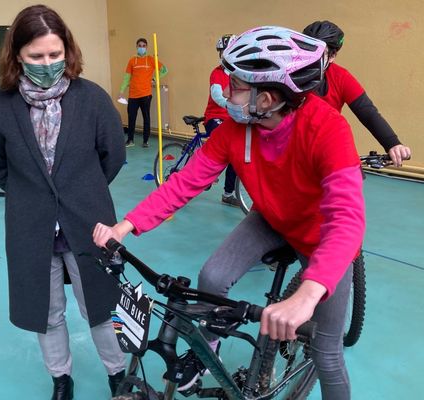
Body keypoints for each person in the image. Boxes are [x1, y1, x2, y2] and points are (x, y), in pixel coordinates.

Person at [94, 26, 364, 400]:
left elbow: (347, 218)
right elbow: (186, 181)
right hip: (271, 217)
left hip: (321, 235)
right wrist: (125, 226)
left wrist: (307, 294)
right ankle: (210, 346)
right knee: (212, 274)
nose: (225, 90)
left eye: (235, 84)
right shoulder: (237, 129)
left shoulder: (327, 128)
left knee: (326, 354)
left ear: (266, 98)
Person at [0, 5, 127, 400]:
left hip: (89, 222)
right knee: (47, 311)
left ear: (68, 51)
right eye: (36, 57)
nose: (48, 64)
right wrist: (36, 196)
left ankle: (118, 374)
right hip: (31, 224)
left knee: (98, 303)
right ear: (17, 57)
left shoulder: (91, 99)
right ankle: (61, 377)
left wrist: (81, 191)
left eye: (55, 54)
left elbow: (113, 155)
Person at [303, 20, 411, 166]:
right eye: (307, 50)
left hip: (325, 146)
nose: (312, 58)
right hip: (294, 147)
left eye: (319, 53)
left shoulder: (340, 77)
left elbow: (367, 111)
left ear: (332, 56)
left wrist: (392, 144)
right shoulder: (288, 72)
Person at [203, 34, 241, 207]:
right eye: (221, 52)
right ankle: (206, 173)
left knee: (236, 155)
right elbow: (217, 95)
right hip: (215, 116)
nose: (223, 55)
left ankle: (228, 193)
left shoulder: (238, 73)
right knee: (223, 145)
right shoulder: (217, 73)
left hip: (233, 117)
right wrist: (230, 106)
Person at [118, 38, 168, 148]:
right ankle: (130, 140)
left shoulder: (150, 60)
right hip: (133, 95)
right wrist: (121, 91)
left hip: (146, 95)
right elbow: (127, 78)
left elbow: (164, 70)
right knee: (131, 118)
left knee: (146, 118)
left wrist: (155, 79)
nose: (141, 47)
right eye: (139, 45)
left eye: (144, 45)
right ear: (136, 47)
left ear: (147, 47)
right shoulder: (132, 61)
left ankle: (146, 141)